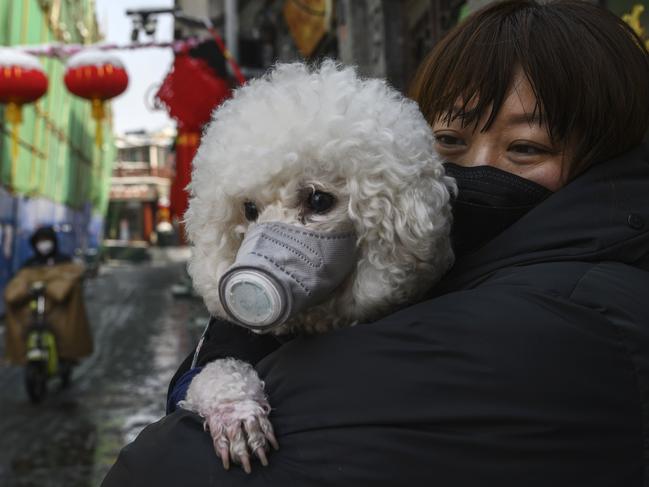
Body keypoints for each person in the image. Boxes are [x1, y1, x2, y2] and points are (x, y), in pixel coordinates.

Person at [102, 1, 649, 485]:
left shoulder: (562, 316)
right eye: (450, 141)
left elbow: (160, 467)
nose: (478, 170)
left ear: (606, 153)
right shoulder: (449, 269)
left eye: (526, 148)